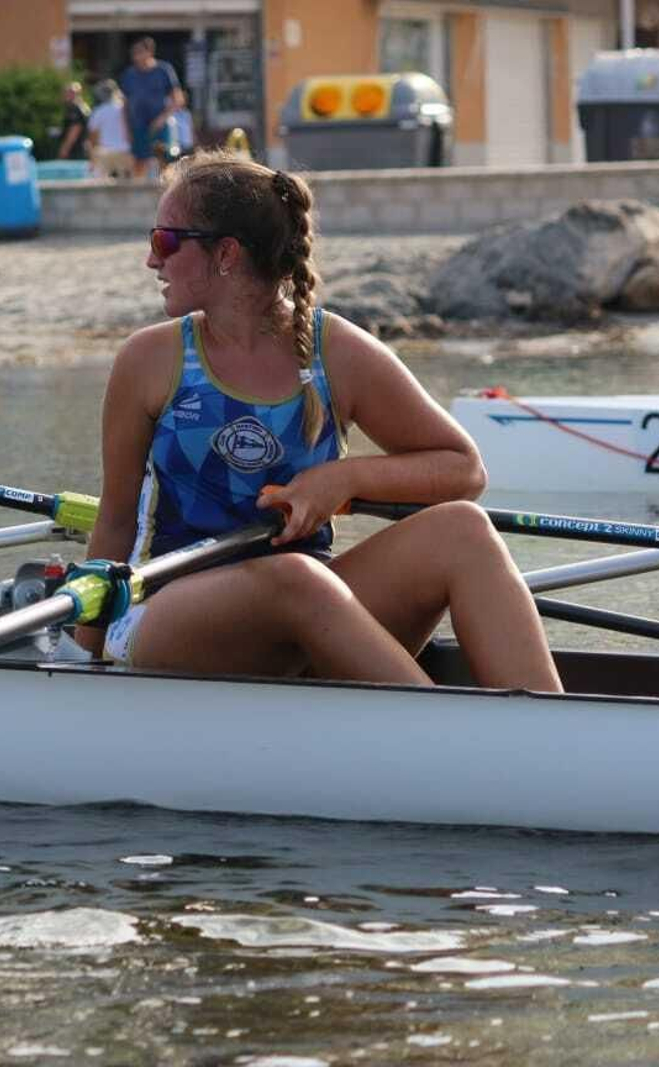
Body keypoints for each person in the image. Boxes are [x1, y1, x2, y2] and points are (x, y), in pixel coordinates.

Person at [78, 151, 562, 694]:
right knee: (296, 577)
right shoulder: (150, 360)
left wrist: (343, 479)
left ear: (226, 254)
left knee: (463, 531)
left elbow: (464, 470)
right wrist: (80, 660)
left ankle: (549, 725)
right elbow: (116, 519)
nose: (152, 260)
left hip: (311, 610)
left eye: (165, 240)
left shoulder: (335, 352)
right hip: (170, 612)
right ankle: (442, 728)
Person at [119, 37, 180, 180]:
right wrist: (126, 129)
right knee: (139, 163)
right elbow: (124, 104)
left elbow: (177, 99)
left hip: (160, 126)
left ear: (150, 52)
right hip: (137, 126)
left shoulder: (164, 70)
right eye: (134, 53)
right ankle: (138, 191)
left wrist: (161, 119)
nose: (136, 56)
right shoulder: (129, 74)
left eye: (140, 52)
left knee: (165, 162)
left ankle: (166, 189)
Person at [86, 80, 131, 180]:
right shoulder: (125, 110)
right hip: (125, 151)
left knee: (98, 182)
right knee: (127, 182)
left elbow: (92, 138)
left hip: (104, 153)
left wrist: (92, 160)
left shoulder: (98, 111)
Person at [149, 87, 194, 166]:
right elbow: (155, 127)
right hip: (171, 150)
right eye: (174, 98)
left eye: (179, 97)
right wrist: (170, 110)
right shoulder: (166, 114)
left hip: (187, 148)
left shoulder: (186, 114)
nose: (177, 100)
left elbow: (191, 132)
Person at [56, 81, 90, 161]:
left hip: (75, 149)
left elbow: (75, 129)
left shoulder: (74, 108)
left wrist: (65, 148)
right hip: (82, 147)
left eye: (68, 92)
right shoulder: (84, 106)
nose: (64, 95)